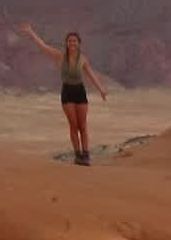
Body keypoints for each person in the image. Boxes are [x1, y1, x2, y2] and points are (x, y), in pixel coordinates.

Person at [18, 24, 107, 164]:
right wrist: (31, 32)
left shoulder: (83, 58)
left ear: (79, 43)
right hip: (67, 92)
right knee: (73, 125)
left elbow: (90, 74)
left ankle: (86, 155)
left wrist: (101, 89)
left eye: (74, 41)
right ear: (66, 43)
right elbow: (43, 46)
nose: (72, 43)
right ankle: (77, 155)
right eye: (69, 41)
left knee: (83, 125)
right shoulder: (59, 56)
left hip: (80, 92)